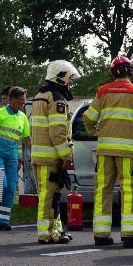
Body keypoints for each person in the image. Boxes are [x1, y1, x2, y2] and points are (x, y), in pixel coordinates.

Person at [83, 55, 133, 249]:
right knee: (129, 191)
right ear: (130, 71)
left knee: (103, 190)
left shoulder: (102, 91)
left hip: (105, 149)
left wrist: (95, 132)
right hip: (128, 151)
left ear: (112, 72)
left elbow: (88, 118)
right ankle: (130, 235)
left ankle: (101, 234)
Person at [31, 60, 76, 244]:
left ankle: (55, 230)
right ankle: (46, 233)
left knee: (52, 196)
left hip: (41, 156)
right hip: (51, 157)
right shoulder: (57, 99)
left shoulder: (40, 95)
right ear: (61, 78)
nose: (70, 83)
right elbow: (57, 132)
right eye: (69, 79)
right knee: (48, 196)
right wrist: (66, 155)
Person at [0, 86, 31, 230]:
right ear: (12, 100)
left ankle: (2, 221)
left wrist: (31, 154)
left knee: (10, 188)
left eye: (24, 99)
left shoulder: (23, 117)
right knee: (1, 186)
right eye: (21, 100)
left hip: (12, 157)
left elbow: (26, 139)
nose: (23, 102)